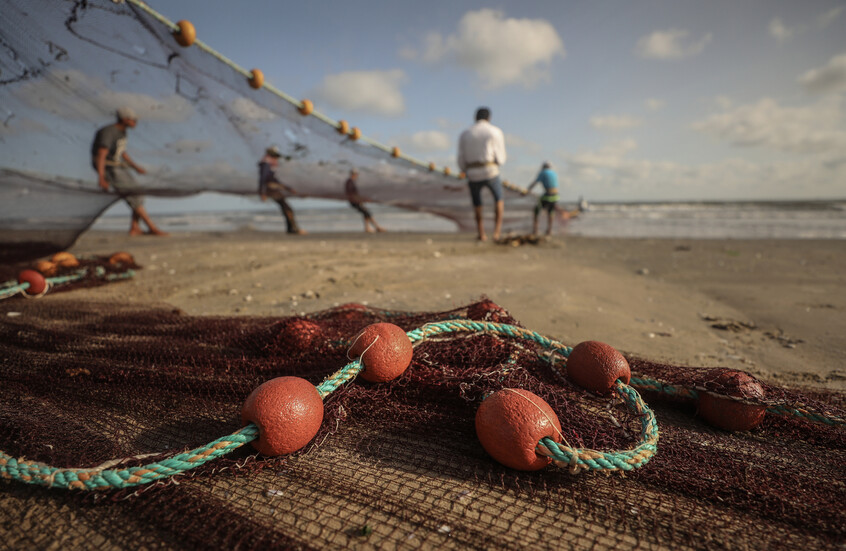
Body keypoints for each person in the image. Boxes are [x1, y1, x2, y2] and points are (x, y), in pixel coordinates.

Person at [92, 107, 168, 236]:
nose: (135, 122)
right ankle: (152, 228)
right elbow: (101, 153)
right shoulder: (109, 132)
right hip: (109, 167)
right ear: (124, 119)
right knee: (133, 196)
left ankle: (135, 228)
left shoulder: (122, 132)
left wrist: (135, 167)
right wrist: (101, 177)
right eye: (133, 119)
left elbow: (122, 152)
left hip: (118, 165)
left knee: (138, 193)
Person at [457, 107, 506, 241]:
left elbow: (461, 157)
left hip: (472, 173)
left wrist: (464, 170)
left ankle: (482, 233)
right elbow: (501, 158)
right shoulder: (494, 131)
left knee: (477, 203)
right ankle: (496, 233)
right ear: (489, 118)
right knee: (499, 200)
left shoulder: (465, 133)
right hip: (490, 171)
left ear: (475, 118)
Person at [258, 146, 306, 235]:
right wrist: (262, 192)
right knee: (287, 208)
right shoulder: (266, 163)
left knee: (286, 208)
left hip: (272, 188)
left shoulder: (268, 163)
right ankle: (293, 229)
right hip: (271, 189)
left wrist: (288, 188)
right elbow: (263, 179)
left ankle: (291, 229)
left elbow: (273, 179)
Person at [526, 162, 560, 236]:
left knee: (536, 210)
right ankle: (549, 230)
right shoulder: (553, 173)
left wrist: (527, 190)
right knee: (551, 211)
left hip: (548, 195)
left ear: (543, 167)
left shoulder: (542, 172)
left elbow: (535, 182)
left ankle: (535, 230)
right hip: (556, 195)